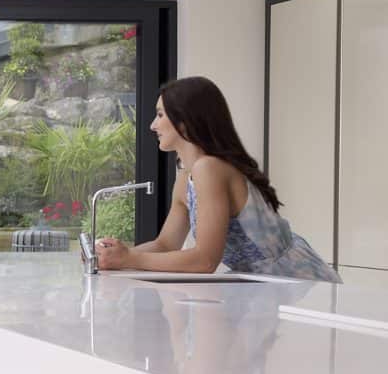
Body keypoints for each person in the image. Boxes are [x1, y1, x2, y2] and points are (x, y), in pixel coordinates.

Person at [96, 76, 340, 283]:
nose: (152, 125)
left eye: (160, 115)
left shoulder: (208, 169)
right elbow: (166, 244)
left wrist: (129, 259)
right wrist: (113, 257)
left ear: (185, 121)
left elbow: (205, 260)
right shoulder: (186, 176)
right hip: (267, 287)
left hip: (300, 284)